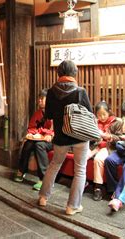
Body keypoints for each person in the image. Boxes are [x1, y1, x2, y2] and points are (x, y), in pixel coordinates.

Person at [38, 60, 92, 216]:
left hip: (61, 136)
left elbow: (48, 115)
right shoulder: (80, 91)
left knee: (54, 164)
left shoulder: (51, 92)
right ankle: (72, 206)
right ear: (74, 73)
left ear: (59, 73)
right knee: (80, 170)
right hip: (79, 136)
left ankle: (42, 197)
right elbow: (89, 113)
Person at [13, 89, 54, 191]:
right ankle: (21, 170)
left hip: (52, 140)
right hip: (40, 138)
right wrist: (31, 134)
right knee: (28, 143)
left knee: (39, 145)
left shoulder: (54, 113)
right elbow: (32, 127)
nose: (39, 101)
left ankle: (44, 179)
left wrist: (49, 134)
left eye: (41, 99)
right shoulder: (38, 113)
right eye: (39, 99)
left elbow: (55, 129)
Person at [90, 101, 122, 201]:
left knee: (98, 159)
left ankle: (98, 188)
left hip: (108, 147)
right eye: (99, 115)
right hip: (95, 145)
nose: (102, 117)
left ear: (109, 112)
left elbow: (120, 138)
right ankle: (81, 183)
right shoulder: (94, 122)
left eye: (104, 114)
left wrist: (108, 136)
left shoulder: (117, 122)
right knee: (81, 156)